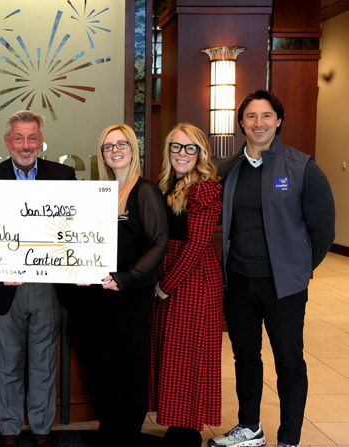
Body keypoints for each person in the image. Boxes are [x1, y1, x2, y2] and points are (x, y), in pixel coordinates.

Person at [209, 90, 335, 447]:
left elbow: (324, 230)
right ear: (241, 123)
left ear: (278, 121)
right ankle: (250, 428)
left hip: (284, 287)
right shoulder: (228, 170)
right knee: (245, 357)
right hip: (239, 282)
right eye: (251, 116)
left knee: (289, 361)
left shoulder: (302, 167)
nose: (258, 123)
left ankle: (289, 439)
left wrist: (298, 270)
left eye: (266, 116)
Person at [0, 110, 75, 447]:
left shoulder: (63, 176)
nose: (25, 145)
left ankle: (41, 428)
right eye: (18, 138)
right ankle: (8, 429)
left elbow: (75, 228)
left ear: (41, 141)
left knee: (44, 361)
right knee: (8, 361)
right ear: (7, 141)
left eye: (32, 138)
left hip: (48, 285)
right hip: (5, 286)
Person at [70, 124, 167, 447]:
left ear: (133, 149)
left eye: (121, 144)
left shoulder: (145, 191)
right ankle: (109, 427)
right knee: (100, 362)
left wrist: (127, 278)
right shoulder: (101, 192)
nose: (115, 150)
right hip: (99, 294)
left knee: (130, 364)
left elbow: (159, 242)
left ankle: (128, 434)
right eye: (108, 146)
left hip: (131, 294)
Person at [148, 123, 223, 446]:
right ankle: (177, 426)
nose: (182, 153)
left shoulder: (206, 188)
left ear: (200, 152)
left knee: (189, 355)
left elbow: (197, 244)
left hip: (193, 278)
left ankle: (188, 430)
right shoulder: (166, 184)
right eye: (176, 146)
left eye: (190, 147)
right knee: (173, 354)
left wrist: (167, 284)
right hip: (170, 271)